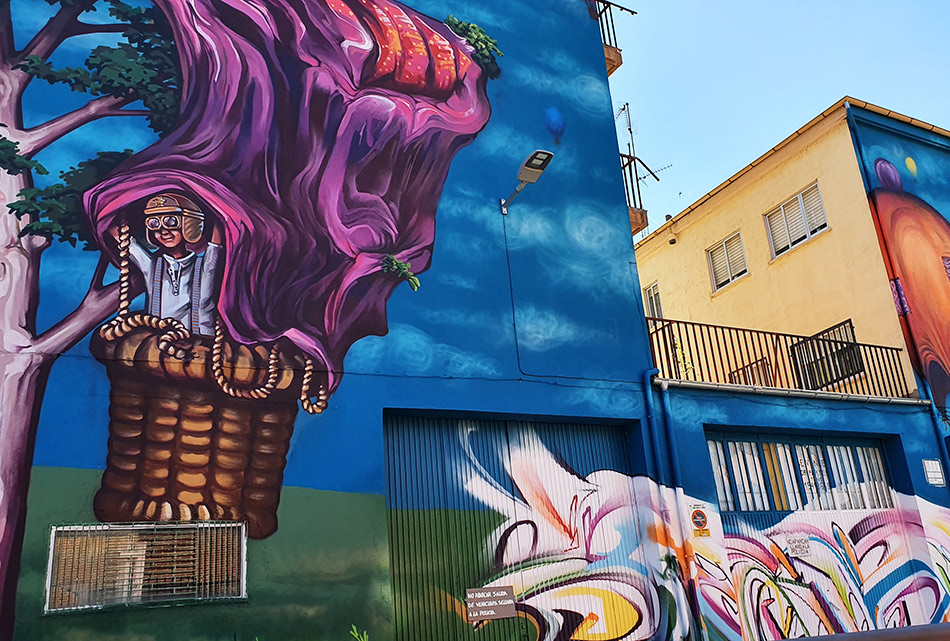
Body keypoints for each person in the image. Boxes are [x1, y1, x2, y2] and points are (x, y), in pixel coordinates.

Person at [112, 193, 223, 337]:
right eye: (154, 224)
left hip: (200, 345)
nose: (163, 231)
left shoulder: (204, 266)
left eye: (171, 221)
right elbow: (123, 239)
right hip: (159, 345)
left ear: (189, 224)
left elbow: (216, 241)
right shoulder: (152, 266)